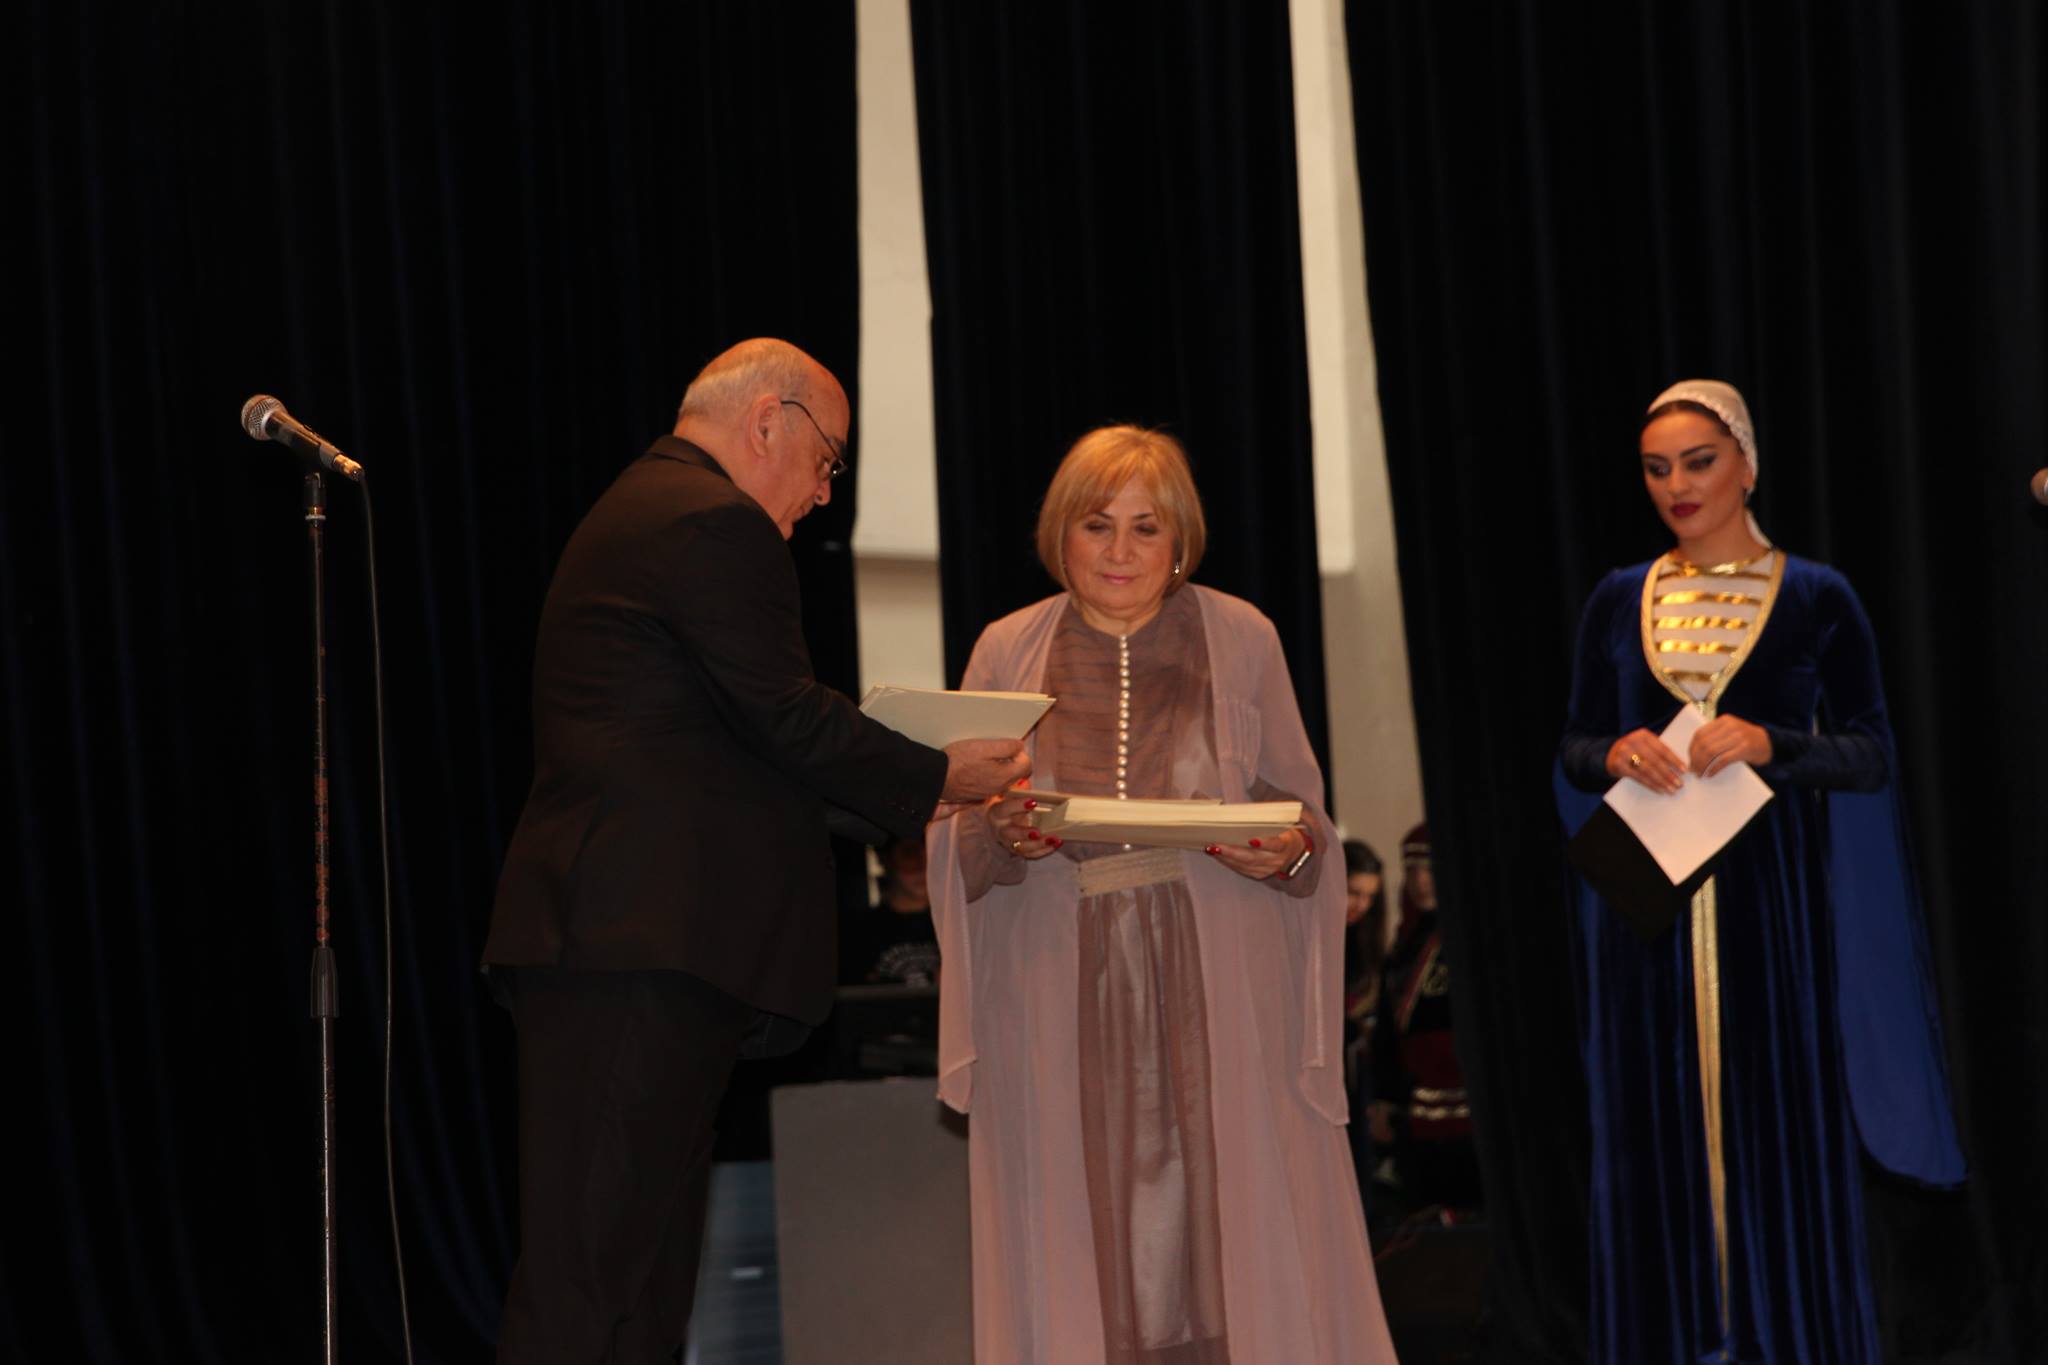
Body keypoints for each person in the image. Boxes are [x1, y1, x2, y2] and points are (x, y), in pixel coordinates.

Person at [483, 338, 1030, 1363]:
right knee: (592, 1286)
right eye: (827, 461)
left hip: (626, 946)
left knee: (636, 1289)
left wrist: (905, 781)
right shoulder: (710, 519)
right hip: (635, 947)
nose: (823, 493)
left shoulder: (654, 509)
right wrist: (935, 775)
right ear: (768, 421)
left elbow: (736, 751)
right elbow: (787, 719)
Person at [926, 425, 1396, 1364]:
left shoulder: (1245, 636)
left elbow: (1307, 821)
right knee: (1077, 1237)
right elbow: (951, 832)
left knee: (1234, 1237)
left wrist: (1286, 853)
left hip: (1221, 987)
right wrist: (998, 834)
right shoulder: (1005, 648)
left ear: (1180, 539)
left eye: (1147, 527)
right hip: (1054, 991)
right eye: (1098, 524)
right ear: (1061, 532)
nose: (1121, 551)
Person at [1554, 379, 1963, 1362]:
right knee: (1653, 1140)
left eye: (1698, 461)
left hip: (1772, 912)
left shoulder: (1816, 595)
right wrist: (1613, 751)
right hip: (1645, 919)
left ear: (1745, 462)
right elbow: (1572, 746)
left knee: (1777, 1134)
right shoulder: (1617, 598)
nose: (1677, 485)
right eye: (1656, 468)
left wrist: (1773, 742)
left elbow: (1870, 753)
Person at [1367, 824, 1479, 1220]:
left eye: (1429, 868)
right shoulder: (1404, 945)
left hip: (1469, 1109)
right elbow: (1389, 1030)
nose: (1419, 880)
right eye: (1411, 869)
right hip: (1417, 1109)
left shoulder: (1471, 939)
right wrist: (1384, 1098)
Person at [1340, 839, 1388, 1206]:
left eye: (1369, 897)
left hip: (1356, 1068)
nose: (1361, 905)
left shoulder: (1366, 939)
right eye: (1353, 892)